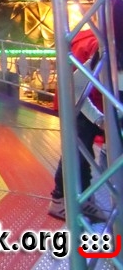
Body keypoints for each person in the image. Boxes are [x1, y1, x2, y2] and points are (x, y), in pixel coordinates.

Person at [48, 30, 111, 222]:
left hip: (89, 101)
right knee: (77, 151)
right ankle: (60, 199)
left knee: (83, 152)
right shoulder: (103, 47)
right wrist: (99, 119)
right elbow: (75, 86)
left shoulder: (92, 38)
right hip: (82, 103)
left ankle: (82, 197)